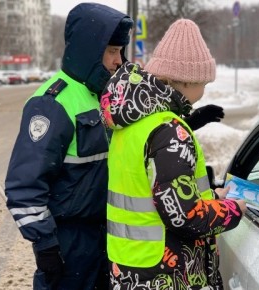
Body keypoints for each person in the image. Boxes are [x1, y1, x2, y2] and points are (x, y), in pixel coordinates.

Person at [100, 19, 247, 289]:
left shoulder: (133, 122)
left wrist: (211, 197)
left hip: (131, 266)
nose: (204, 90)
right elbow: (183, 215)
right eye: (204, 82)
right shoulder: (169, 131)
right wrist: (231, 211)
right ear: (187, 81)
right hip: (164, 274)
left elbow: (154, 191)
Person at [4, 3, 133, 290]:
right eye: (112, 51)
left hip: (105, 235)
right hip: (68, 242)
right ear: (89, 49)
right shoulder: (52, 103)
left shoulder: (102, 96)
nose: (118, 61)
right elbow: (24, 186)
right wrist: (46, 245)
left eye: (120, 52)